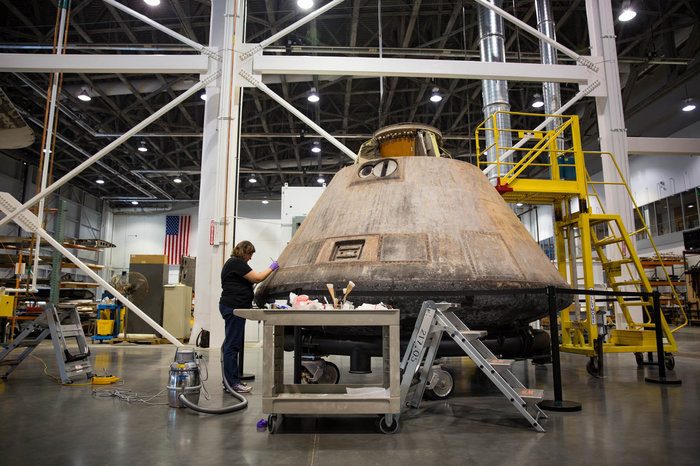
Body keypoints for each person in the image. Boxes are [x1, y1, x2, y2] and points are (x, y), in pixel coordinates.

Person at [220, 240, 279, 393]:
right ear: (243, 252)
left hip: (234, 307)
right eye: (250, 254)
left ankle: (229, 381)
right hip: (234, 308)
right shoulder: (236, 263)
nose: (250, 258)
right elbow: (257, 278)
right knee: (232, 345)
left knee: (231, 344)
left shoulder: (233, 264)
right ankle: (232, 383)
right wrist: (272, 268)